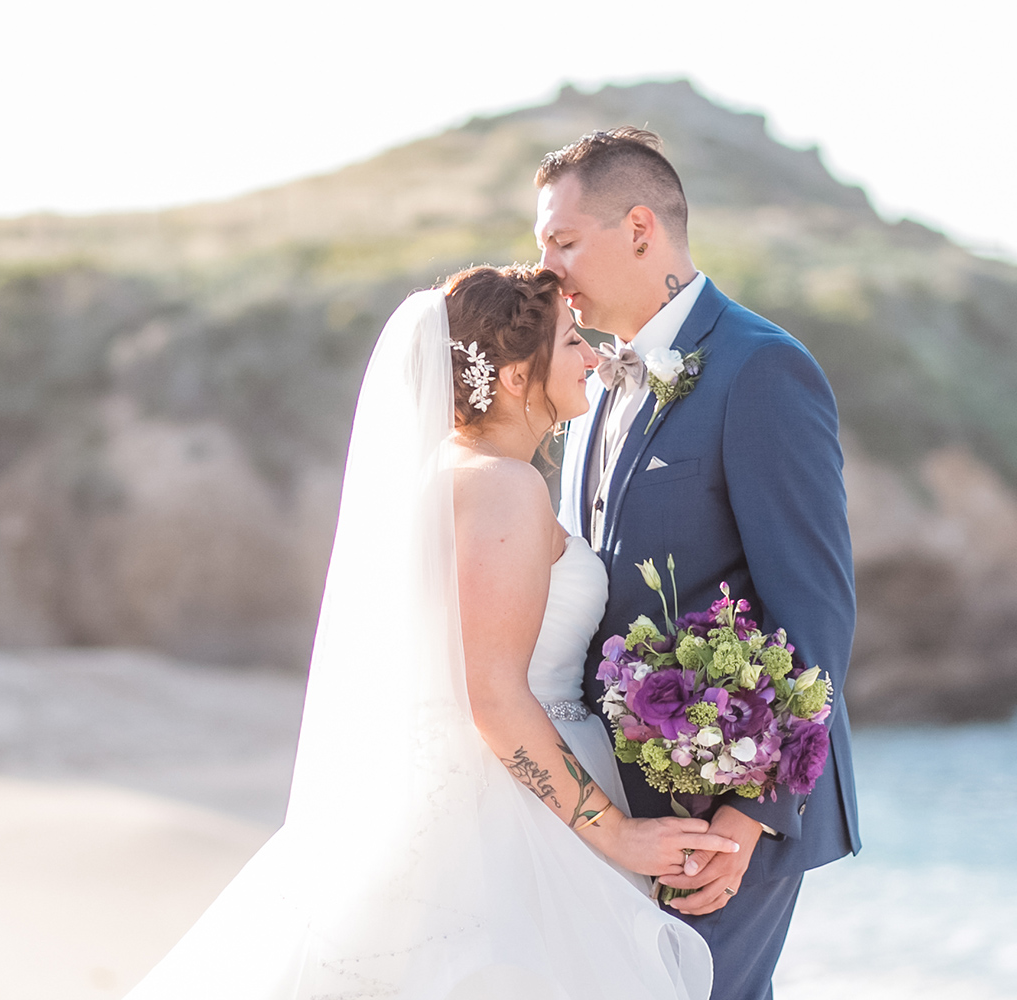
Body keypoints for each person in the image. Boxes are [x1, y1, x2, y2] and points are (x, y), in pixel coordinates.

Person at [121, 265, 737, 999]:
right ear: (514, 376)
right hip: (511, 817)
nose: (591, 355)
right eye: (571, 340)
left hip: (479, 794)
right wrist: (616, 835)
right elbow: (492, 694)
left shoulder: (459, 475)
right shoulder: (504, 488)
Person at [540, 128, 860, 1000]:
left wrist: (751, 814)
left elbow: (816, 607)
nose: (550, 270)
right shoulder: (590, 386)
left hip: (724, 805)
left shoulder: (764, 369)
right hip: (611, 801)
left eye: (564, 242)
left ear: (640, 226)